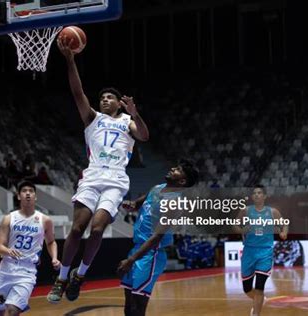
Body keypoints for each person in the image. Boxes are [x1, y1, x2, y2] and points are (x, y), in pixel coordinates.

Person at [47, 33, 150, 303]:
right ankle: (62, 278)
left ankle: (80, 275)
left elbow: (144, 136)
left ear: (119, 103)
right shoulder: (92, 118)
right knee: (76, 229)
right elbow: (77, 92)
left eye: (109, 98)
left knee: (96, 229)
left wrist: (135, 113)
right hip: (92, 177)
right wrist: (70, 60)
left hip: (115, 180)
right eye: (102, 97)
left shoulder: (128, 121)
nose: (104, 100)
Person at [117, 160, 199, 316]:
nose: (172, 168)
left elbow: (157, 236)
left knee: (137, 307)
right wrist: (131, 204)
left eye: (178, 170)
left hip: (151, 254)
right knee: (128, 306)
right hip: (137, 248)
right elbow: (138, 204)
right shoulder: (157, 188)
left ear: (182, 181)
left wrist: (131, 260)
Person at [0, 179, 60, 315]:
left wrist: (54, 258)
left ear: (35, 196)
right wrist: (8, 250)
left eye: (31, 191)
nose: (28, 194)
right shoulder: (9, 218)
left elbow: (51, 242)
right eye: (24, 191)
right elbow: (0, 248)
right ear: (18, 196)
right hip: (6, 269)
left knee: (12, 311)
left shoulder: (45, 220)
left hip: (27, 271)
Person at [234, 185, 288, 316]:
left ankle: (256, 313)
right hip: (249, 252)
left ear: (264, 196)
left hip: (265, 252)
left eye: (259, 193)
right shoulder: (245, 211)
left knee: (259, 286)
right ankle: (260, 300)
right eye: (254, 193)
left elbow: (284, 223)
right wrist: (241, 230)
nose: (256, 195)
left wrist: (283, 232)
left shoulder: (272, 212)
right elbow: (235, 224)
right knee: (247, 289)